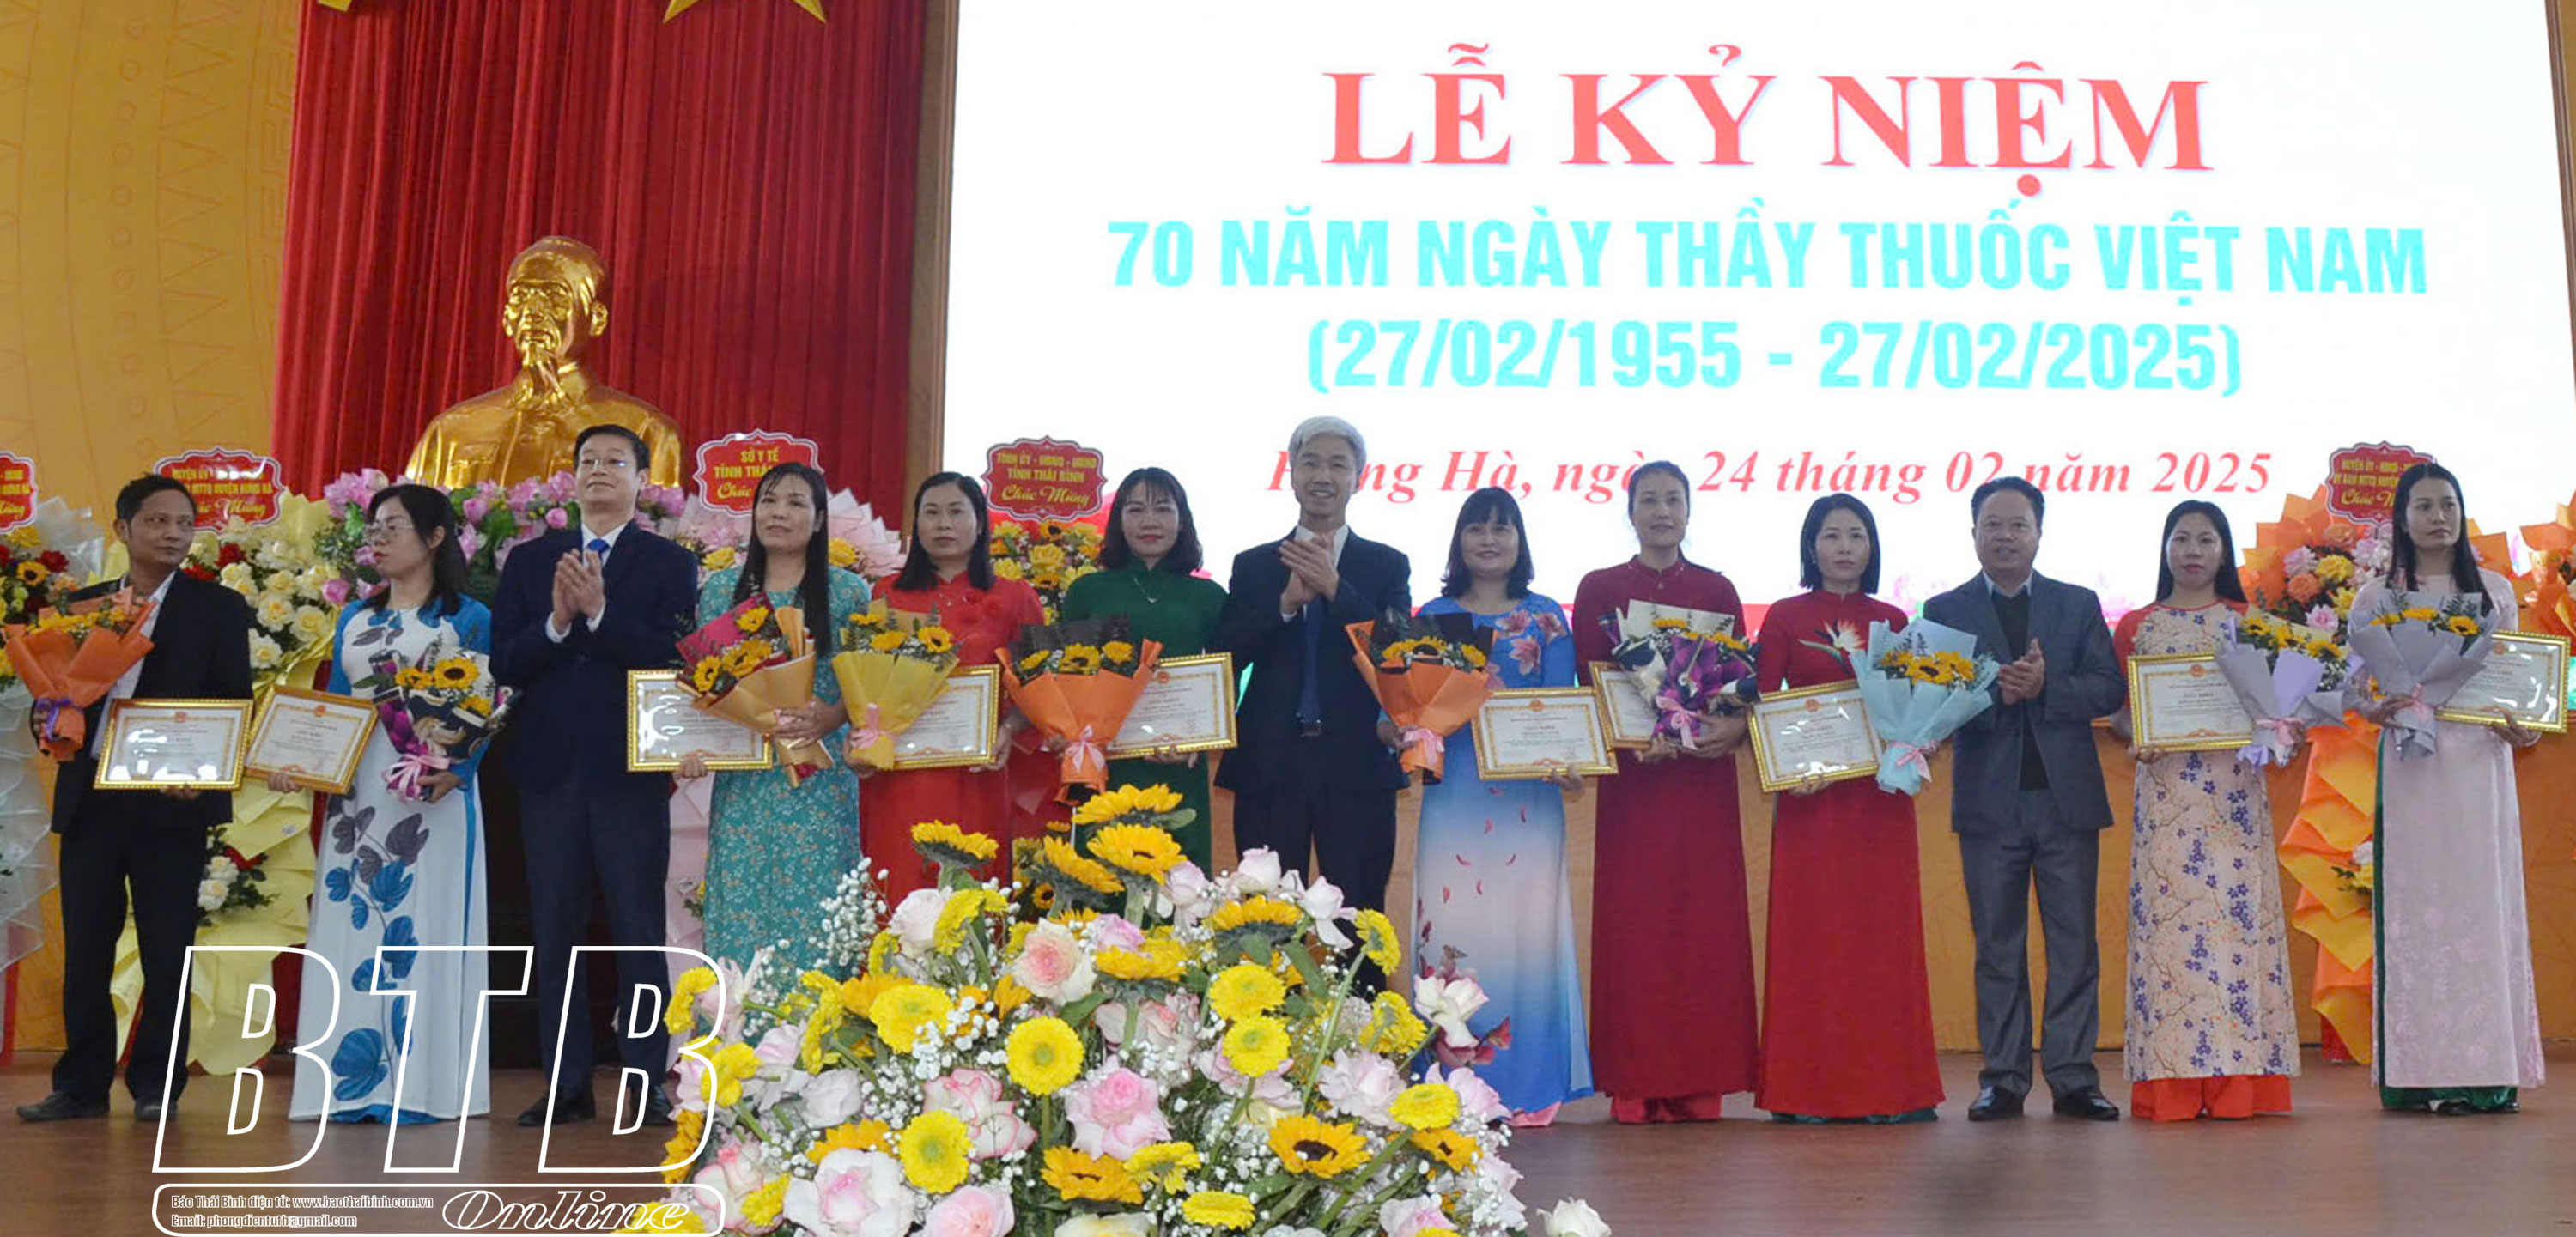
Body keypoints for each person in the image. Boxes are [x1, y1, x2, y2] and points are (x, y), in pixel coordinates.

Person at [16, 476, 252, 1123]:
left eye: (184, 523)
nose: (173, 533)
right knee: (87, 950)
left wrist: (203, 773)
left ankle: (157, 1085)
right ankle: (81, 1085)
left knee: (168, 950)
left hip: (172, 803)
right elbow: (56, 696)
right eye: (157, 521)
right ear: (123, 529)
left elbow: (233, 700)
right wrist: (47, 722)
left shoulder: (217, 608)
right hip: (92, 800)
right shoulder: (81, 607)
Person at [491, 423, 696, 1128]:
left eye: (615, 461)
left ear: (642, 480)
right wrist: (556, 620)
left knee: (638, 928)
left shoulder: (669, 562)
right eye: (587, 461)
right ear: (572, 478)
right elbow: (505, 661)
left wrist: (601, 612)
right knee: (555, 930)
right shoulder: (529, 560)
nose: (599, 470)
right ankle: (566, 1084)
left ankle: (645, 1080)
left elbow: (674, 655)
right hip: (548, 771)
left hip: (630, 771)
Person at [283, 484, 497, 1124]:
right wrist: (300, 763)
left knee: (422, 928)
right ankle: (348, 1085)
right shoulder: (355, 617)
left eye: (393, 526)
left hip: (432, 795)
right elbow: (335, 706)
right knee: (351, 922)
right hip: (359, 798)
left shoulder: (466, 618)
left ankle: (420, 1085)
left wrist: (459, 770)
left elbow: (483, 705)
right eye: (373, 527)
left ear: (435, 537)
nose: (377, 538)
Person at [1923, 476, 2125, 1123]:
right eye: (1993, 525)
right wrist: (1997, 695)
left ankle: (2074, 1077)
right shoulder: (1944, 609)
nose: (2005, 536)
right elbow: (1931, 704)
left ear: (2039, 533)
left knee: (2074, 944)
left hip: (2067, 803)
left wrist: (2046, 686)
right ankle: (2004, 1079)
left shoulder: (2077, 603)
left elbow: (2108, 687)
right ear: (1973, 532)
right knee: (1997, 946)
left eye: (2018, 525)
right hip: (1990, 806)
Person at [2354, 463, 2543, 1114]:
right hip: (2413, 766)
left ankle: (2487, 1072)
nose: (2439, 516)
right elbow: (2350, 688)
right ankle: (2419, 1075)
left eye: (2449, 504)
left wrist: (2526, 729)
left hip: (2479, 763)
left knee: (2483, 906)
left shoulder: (2495, 592)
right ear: (2402, 520)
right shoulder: (2376, 597)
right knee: (2414, 909)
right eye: (2425, 505)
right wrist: (2374, 707)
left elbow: (2520, 684)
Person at [1571, 461, 1756, 1124]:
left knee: (1704, 926)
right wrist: (1633, 734)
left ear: (1688, 510)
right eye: (1648, 499)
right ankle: (1635, 1079)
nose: (1661, 511)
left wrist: (1731, 728)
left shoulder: (1717, 588)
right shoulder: (1600, 588)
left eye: (1672, 499)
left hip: (1701, 780)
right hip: (1636, 784)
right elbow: (1591, 682)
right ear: (1630, 510)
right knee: (1637, 927)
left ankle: (1702, 1080)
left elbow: (1738, 686)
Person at [1752, 494, 1942, 1124]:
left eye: (1856, 535)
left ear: (1871, 547)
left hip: (1879, 803)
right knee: (1813, 940)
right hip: (1811, 803)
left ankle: (1892, 1090)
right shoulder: (1785, 616)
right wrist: (1785, 770)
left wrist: (1920, 738)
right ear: (1811, 546)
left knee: (1880, 942)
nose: (1843, 547)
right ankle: (1804, 1091)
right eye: (1830, 535)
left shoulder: (1893, 619)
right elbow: (1763, 704)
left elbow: (1913, 706)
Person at [2109, 500, 2300, 1121]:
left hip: (2234, 797)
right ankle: (2172, 1086)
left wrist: (2280, 726)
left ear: (2224, 552)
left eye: (2207, 539)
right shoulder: (2136, 625)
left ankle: (2238, 1086)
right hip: (2166, 798)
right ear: (2165, 548)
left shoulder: (2252, 623)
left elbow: (2279, 706)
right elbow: (2121, 712)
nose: (2193, 551)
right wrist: (2134, 732)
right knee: (2170, 940)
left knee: (2236, 935)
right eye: (2182, 538)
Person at [1408, 488, 1592, 1124]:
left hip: (1528, 801)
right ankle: (1450, 1082)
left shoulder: (1546, 618)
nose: (1489, 540)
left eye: (1502, 528)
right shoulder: (1432, 617)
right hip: (1454, 795)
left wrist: (1571, 763)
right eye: (1477, 528)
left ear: (1520, 540)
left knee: (1526, 936)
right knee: (1451, 932)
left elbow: (1562, 707)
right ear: (1459, 540)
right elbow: (1408, 709)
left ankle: (1528, 1086)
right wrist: (1404, 730)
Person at [1213, 416, 1411, 923]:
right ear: (1292, 474)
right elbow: (1226, 654)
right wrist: (1283, 605)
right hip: (1271, 764)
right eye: (1311, 463)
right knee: (1265, 922)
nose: (1323, 476)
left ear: (1358, 479)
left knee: (1360, 920)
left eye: (1338, 465)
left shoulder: (1388, 564)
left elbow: (1395, 656)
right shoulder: (1255, 564)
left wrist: (1335, 589)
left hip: (1357, 764)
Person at [677, 463, 867, 972]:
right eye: (768, 501)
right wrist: (692, 750)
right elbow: (709, 689)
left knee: (821, 912)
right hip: (746, 783)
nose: (778, 512)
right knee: (743, 908)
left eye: (795, 502)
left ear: (819, 520)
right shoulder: (722, 591)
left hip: (820, 779)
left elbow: (869, 684)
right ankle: (738, 1022)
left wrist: (832, 717)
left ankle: (822, 1024)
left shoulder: (848, 592)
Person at [858, 473, 1042, 902]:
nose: (943, 523)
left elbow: (1038, 687)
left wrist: (1009, 730)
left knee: (970, 893)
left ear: (980, 522)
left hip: (978, 774)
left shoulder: (1016, 598)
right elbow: (868, 682)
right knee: (898, 887)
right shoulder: (886, 593)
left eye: (956, 512)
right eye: (932, 512)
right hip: (901, 775)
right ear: (916, 524)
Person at [1058, 468, 1227, 870]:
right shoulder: (1086, 591)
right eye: (1136, 510)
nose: (1150, 521)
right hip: (1107, 762)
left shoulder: (1209, 596)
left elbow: (1224, 677)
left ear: (1182, 520)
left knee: (1178, 879)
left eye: (1163, 509)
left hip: (1178, 762)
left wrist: (1199, 740)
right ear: (1118, 521)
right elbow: (1068, 675)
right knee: (1103, 874)